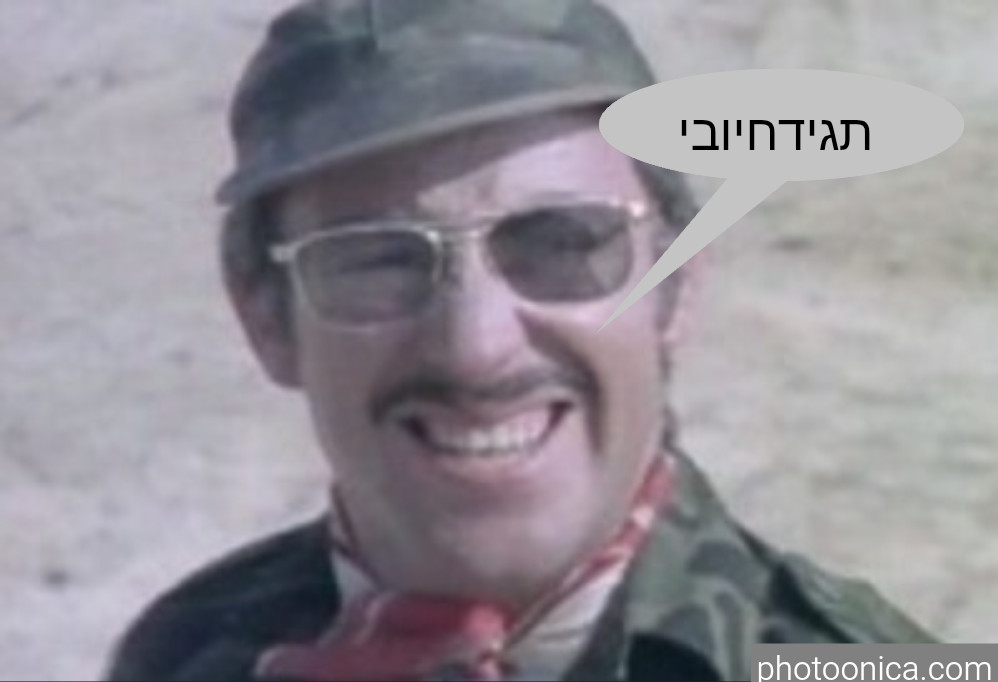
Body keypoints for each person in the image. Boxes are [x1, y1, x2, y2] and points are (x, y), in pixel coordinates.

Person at [107, 1, 934, 680]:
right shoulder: (190, 650)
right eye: (379, 261)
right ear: (265, 318)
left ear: (675, 288)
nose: (476, 349)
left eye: (563, 244)